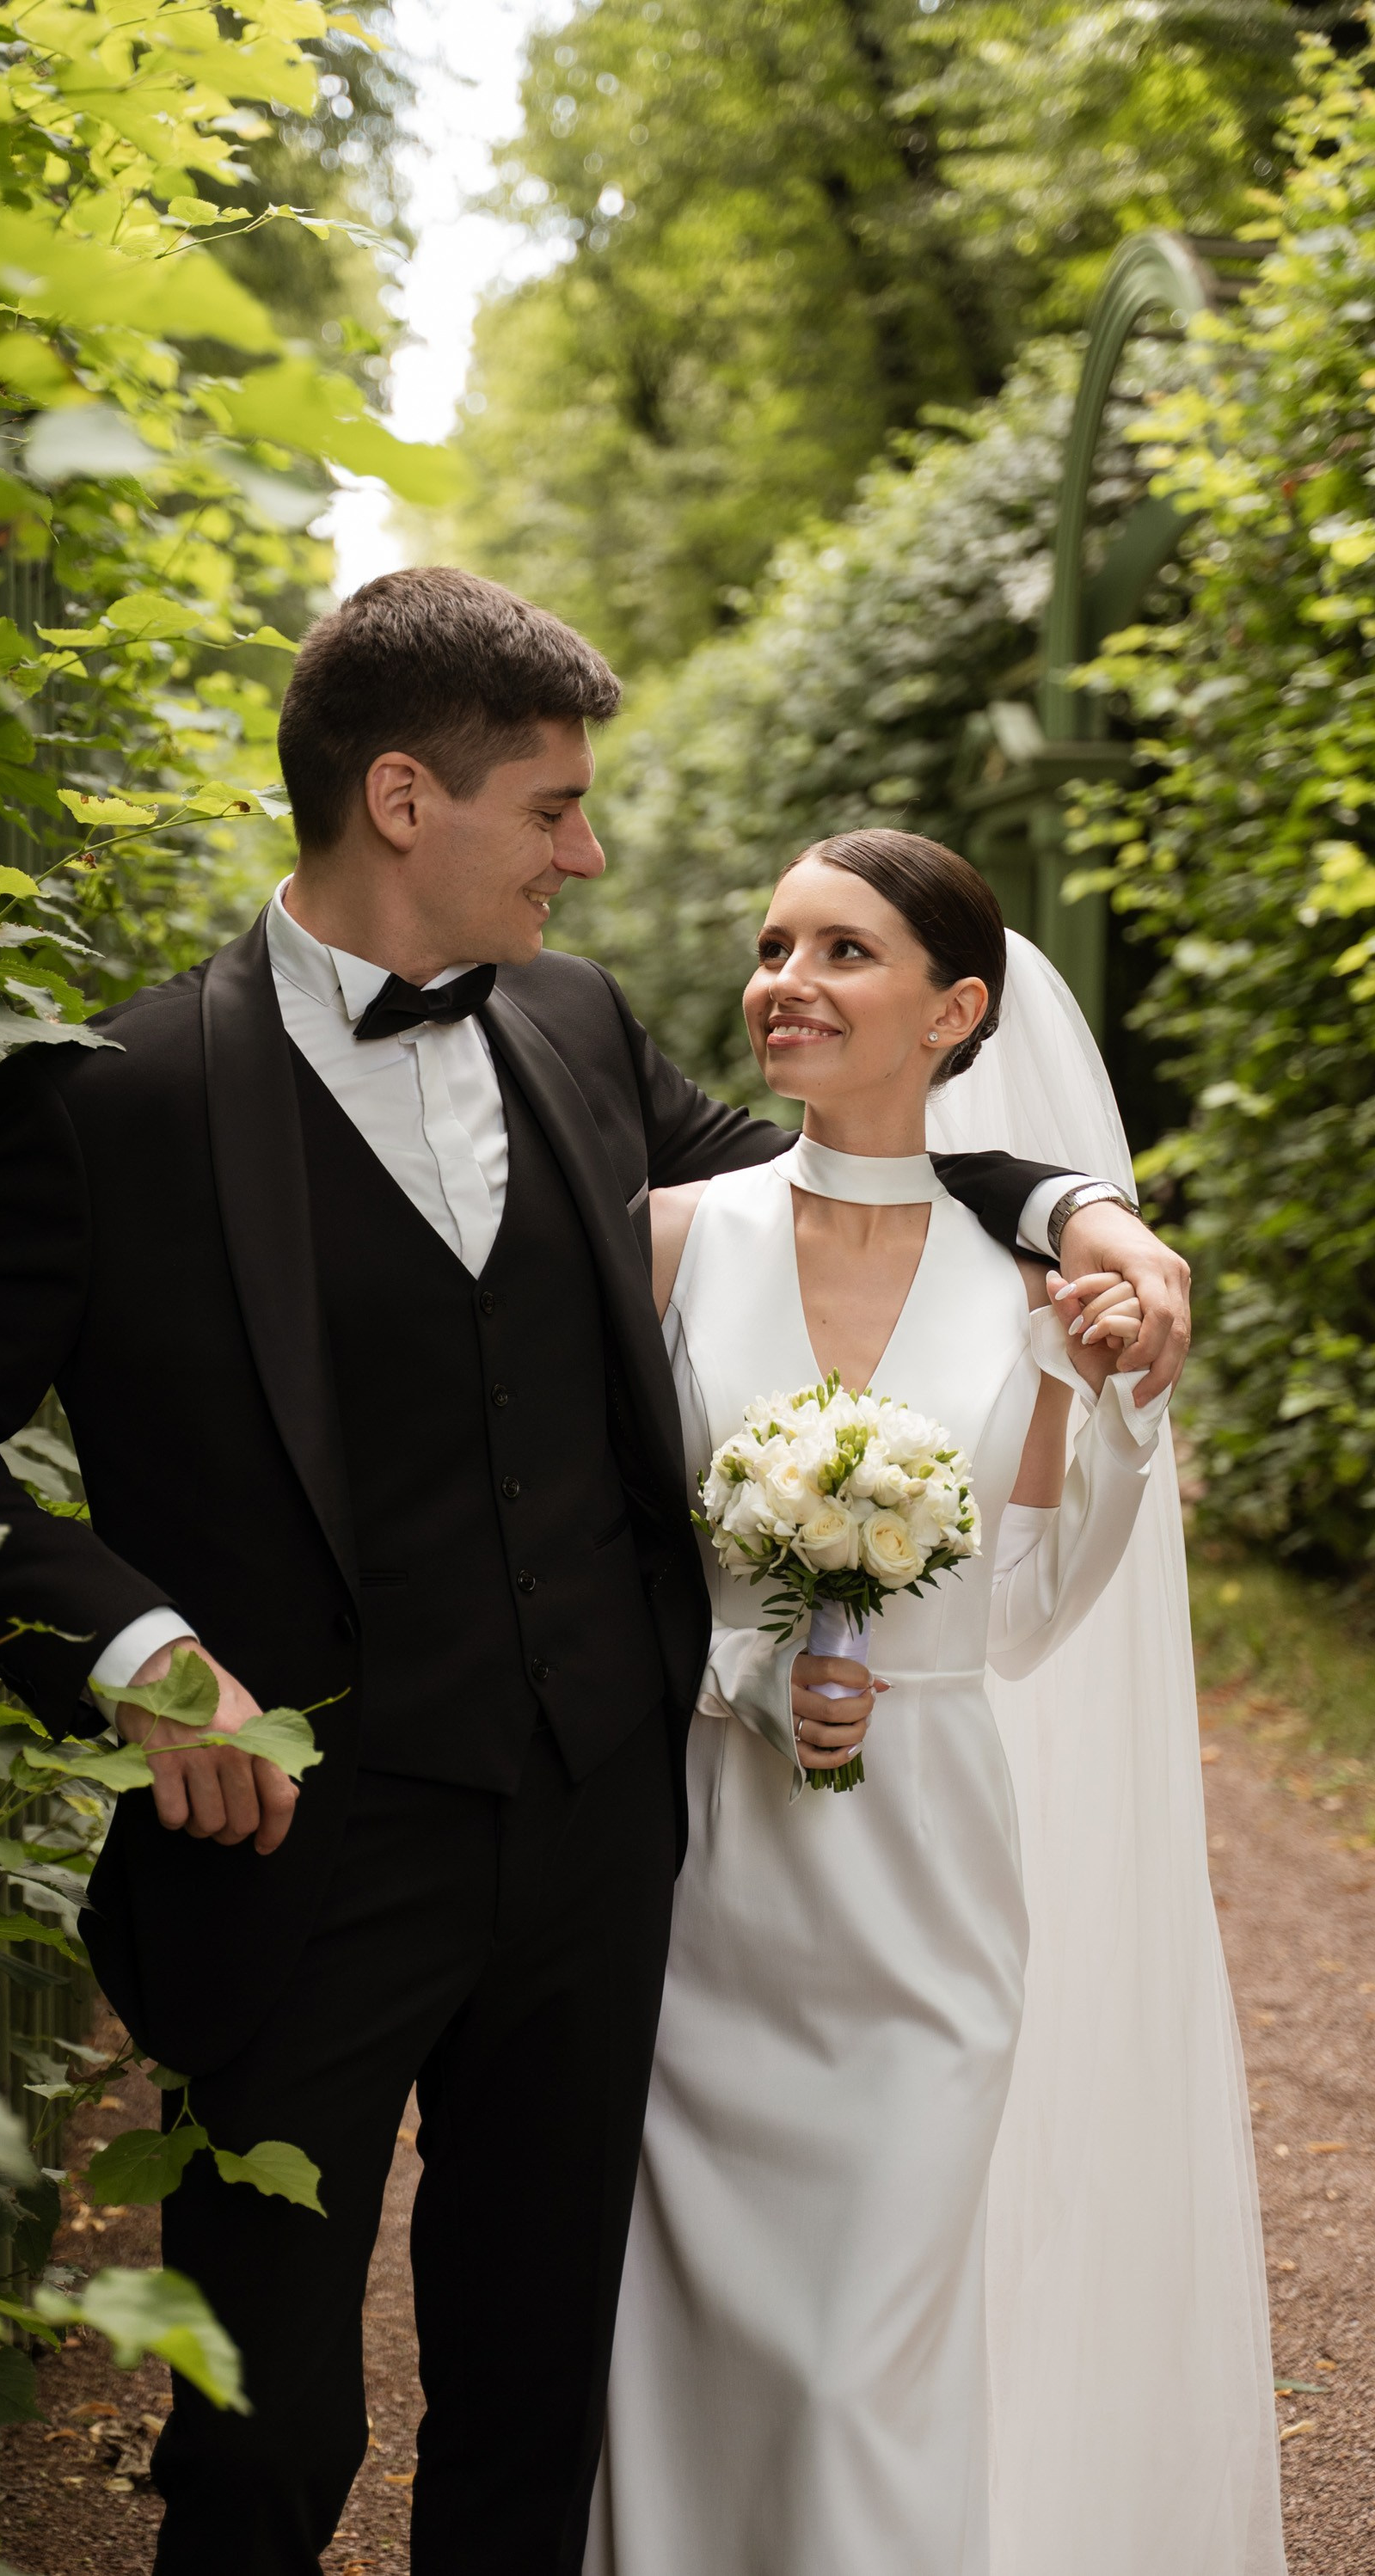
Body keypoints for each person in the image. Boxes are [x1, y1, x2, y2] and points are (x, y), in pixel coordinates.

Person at [0, 572, 1190, 2576]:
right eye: (557, 808)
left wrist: (1079, 1204)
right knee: (268, 2420)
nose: (589, 852)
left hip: (604, 1836)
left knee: (537, 2396)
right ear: (403, 799)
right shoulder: (117, 1099)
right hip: (300, 1852)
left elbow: (832, 1171)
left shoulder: (576, 1027)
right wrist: (142, 1656)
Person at [585, 831, 1282, 2576]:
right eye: (770, 946)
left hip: (923, 1893)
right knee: (679, 2343)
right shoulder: (666, 1243)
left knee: (859, 2360)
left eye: (843, 950)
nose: (785, 980)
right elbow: (583, 1560)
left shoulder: (1036, 1292)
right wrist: (752, 1669)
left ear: (955, 1008)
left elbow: (1030, 1611)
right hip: (697, 1879)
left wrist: (1122, 1416)